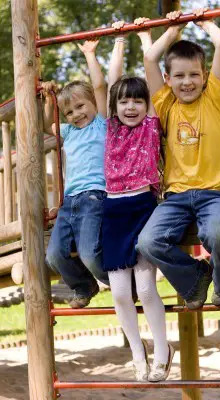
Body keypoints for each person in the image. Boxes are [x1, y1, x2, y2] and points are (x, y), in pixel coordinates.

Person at [137, 8, 220, 309]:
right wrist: (171, 31)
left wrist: (203, 22)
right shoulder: (166, 104)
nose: (187, 82)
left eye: (194, 74)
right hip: (177, 196)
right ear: (167, 79)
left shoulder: (215, 97)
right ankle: (196, 278)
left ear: (205, 75)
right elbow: (149, 59)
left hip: (217, 193)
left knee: (218, 234)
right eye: (179, 76)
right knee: (148, 242)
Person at [100, 20, 174, 382]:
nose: (131, 106)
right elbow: (112, 81)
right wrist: (118, 41)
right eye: (125, 101)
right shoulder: (110, 125)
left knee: (145, 288)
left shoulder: (151, 124)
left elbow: (153, 72)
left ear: (147, 104)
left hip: (144, 207)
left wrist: (148, 39)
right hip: (113, 211)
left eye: (138, 100)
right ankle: (136, 350)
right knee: (119, 295)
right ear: (116, 105)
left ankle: (162, 348)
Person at [42, 39, 109, 309]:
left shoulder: (101, 124)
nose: (76, 114)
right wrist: (49, 100)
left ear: (93, 103)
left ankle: (120, 283)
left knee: (90, 254)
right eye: (69, 112)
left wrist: (90, 55)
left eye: (81, 107)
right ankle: (84, 285)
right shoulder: (69, 133)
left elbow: (101, 86)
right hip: (70, 201)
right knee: (54, 255)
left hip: (96, 197)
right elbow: (48, 124)